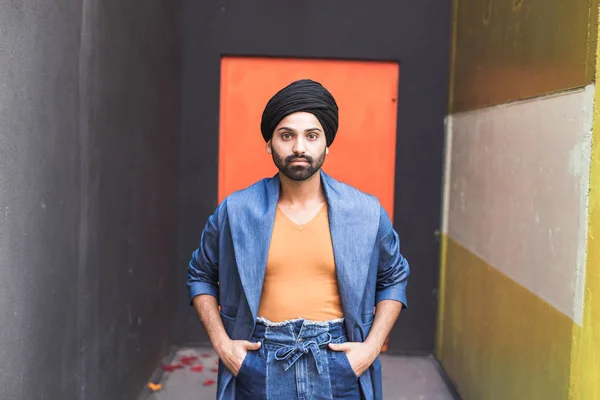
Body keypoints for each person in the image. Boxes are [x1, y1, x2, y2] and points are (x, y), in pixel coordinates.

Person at [187, 78, 410, 400]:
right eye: (286, 135)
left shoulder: (365, 211)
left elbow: (394, 278)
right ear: (269, 143)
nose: (299, 148)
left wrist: (370, 348)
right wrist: (223, 345)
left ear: (326, 144)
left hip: (339, 359)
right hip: (259, 359)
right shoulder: (236, 211)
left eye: (312, 135)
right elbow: (200, 275)